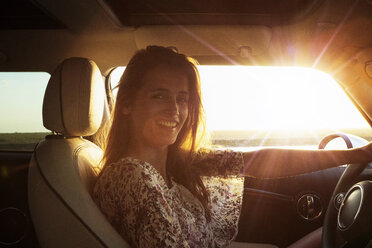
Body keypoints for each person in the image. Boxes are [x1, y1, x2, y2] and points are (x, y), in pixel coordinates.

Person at [93, 46, 372, 248]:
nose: (175, 111)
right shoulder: (132, 176)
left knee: (335, 234)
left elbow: (260, 161)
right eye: (159, 96)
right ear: (127, 103)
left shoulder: (176, 164)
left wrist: (357, 155)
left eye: (182, 98)